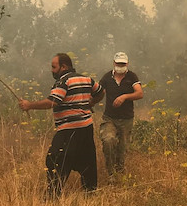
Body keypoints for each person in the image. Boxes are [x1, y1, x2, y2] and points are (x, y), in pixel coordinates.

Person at [19, 53, 104, 198]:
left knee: (54, 161)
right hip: (87, 128)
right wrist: (92, 102)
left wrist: (29, 105)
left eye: (54, 67)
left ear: (63, 66)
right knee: (87, 163)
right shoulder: (86, 79)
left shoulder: (63, 81)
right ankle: (90, 194)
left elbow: (53, 101)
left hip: (68, 130)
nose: (52, 70)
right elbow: (101, 92)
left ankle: (53, 196)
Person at [98, 52, 143, 178]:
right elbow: (99, 92)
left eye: (123, 64)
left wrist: (125, 97)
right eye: (118, 63)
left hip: (126, 118)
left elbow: (139, 93)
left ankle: (120, 171)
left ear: (127, 64)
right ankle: (111, 173)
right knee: (108, 140)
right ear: (114, 63)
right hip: (109, 118)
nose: (120, 66)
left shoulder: (132, 77)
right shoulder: (107, 77)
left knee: (122, 149)